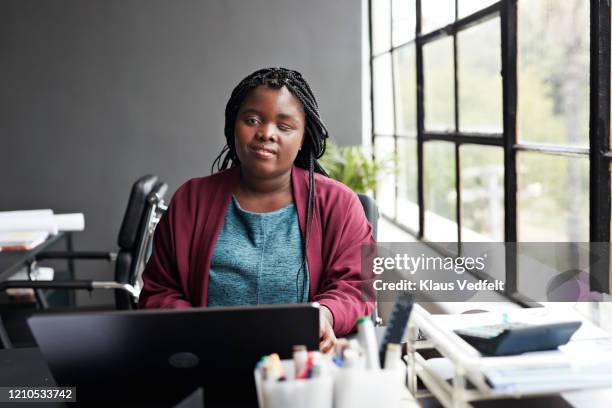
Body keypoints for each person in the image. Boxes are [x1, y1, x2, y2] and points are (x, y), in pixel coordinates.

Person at [139, 67, 374, 352]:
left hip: (304, 366)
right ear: (232, 124)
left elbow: (358, 286)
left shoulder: (339, 203)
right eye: (252, 120)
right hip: (209, 359)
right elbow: (159, 290)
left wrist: (327, 313)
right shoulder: (191, 199)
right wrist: (195, 329)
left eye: (284, 126)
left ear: (302, 139)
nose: (266, 133)